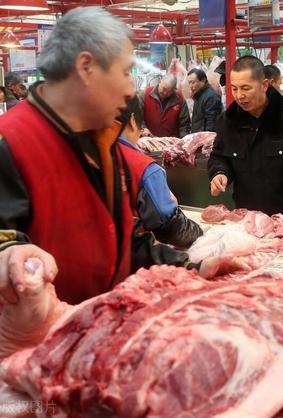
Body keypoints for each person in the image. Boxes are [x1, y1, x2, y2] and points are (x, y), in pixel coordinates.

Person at [0, 7, 210, 306]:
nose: (129, 90)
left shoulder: (103, 140)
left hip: (101, 330)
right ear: (86, 67)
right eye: (125, 72)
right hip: (44, 343)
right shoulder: (10, 143)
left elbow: (127, 241)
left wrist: (192, 270)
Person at [208, 56, 283, 218]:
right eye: (234, 88)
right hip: (248, 220)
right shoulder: (229, 120)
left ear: (264, 85)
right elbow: (219, 156)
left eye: (246, 88)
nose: (239, 95)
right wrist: (219, 172)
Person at [117, 96, 202, 248]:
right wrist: (200, 234)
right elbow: (172, 229)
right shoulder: (144, 168)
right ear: (132, 121)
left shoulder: (88, 155)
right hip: (134, 257)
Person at [141, 73, 190, 138]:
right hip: (149, 140)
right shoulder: (145, 94)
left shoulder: (180, 100)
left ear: (174, 89)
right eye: (164, 88)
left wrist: (183, 141)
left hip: (171, 142)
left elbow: (184, 125)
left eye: (169, 91)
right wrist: (143, 128)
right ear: (160, 81)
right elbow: (138, 116)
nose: (165, 93)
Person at [187, 68, 222, 133]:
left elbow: (211, 124)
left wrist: (205, 141)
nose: (190, 86)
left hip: (205, 139)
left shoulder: (211, 97)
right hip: (198, 137)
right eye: (189, 83)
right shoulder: (199, 95)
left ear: (203, 80)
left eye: (193, 82)